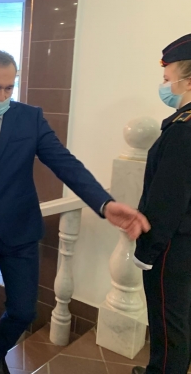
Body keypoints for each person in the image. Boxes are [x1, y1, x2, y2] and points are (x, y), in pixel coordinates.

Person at [0, 50, 151, 374]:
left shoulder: (29, 119)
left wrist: (104, 203)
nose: (3, 96)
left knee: (24, 310)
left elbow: (64, 163)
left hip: (20, 232)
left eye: (9, 87)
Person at [132, 34, 191, 374]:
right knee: (181, 320)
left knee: (168, 326)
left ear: (188, 81)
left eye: (167, 79)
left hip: (173, 246)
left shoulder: (183, 129)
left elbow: (167, 200)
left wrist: (146, 250)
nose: (164, 85)